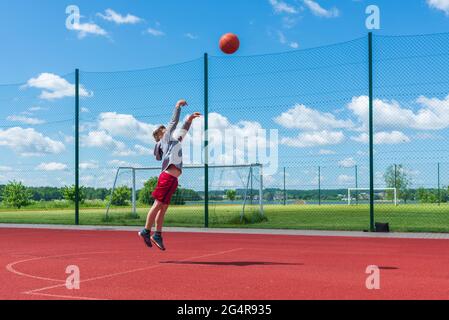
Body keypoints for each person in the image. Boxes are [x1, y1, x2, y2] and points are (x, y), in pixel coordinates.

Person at [139, 99, 201, 250]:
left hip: (173, 179)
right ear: (160, 136)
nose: (165, 129)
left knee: (164, 207)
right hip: (167, 176)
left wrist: (189, 119)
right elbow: (173, 122)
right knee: (158, 204)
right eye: (163, 129)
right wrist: (177, 106)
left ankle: (157, 234)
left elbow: (183, 131)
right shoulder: (164, 140)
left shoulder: (174, 141)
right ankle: (146, 231)